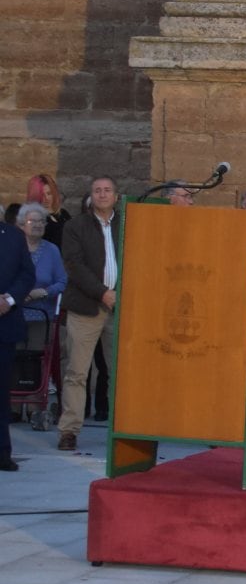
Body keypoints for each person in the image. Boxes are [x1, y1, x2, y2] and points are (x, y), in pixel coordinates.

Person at [58, 177, 121, 453]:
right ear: (90, 197)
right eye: (97, 190)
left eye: (107, 190)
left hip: (120, 308)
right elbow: (74, 265)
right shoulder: (75, 226)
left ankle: (124, 431)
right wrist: (102, 292)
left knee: (121, 373)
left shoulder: (128, 225)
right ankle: (69, 430)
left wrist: (119, 294)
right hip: (86, 307)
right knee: (77, 372)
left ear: (116, 196)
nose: (102, 194)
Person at [0, 218, 38, 470]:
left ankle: (2, 451)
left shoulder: (14, 236)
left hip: (4, 324)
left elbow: (27, 274)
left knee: (2, 391)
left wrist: (10, 299)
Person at [25, 174, 70, 247]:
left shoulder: (63, 214)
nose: (46, 198)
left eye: (49, 193)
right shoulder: (34, 220)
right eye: (42, 195)